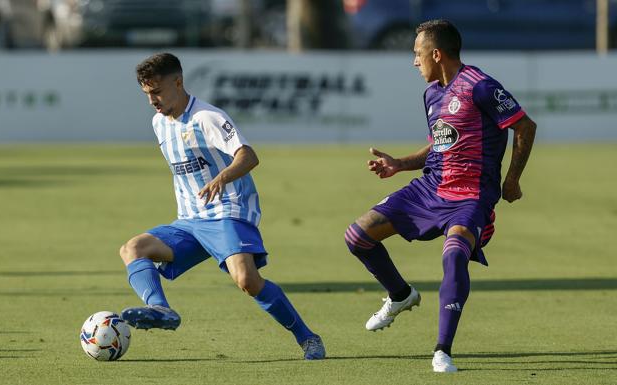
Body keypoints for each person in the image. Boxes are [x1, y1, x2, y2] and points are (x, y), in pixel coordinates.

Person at [344, 19, 536, 372]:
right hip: (430, 189)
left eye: (417, 54)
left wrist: (512, 179)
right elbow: (440, 144)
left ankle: (442, 351)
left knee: (453, 257)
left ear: (436, 53)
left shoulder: (480, 86)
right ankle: (401, 295)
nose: (415, 62)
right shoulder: (432, 93)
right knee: (358, 236)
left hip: (470, 195)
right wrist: (399, 164)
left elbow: (524, 125)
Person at [119, 52, 325, 360]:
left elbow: (248, 156)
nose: (153, 100)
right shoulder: (159, 123)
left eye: (158, 91)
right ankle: (160, 308)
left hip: (227, 211)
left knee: (247, 281)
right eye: (148, 94)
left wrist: (222, 177)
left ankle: (308, 338)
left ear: (178, 82)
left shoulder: (207, 117)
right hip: (189, 221)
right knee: (132, 249)